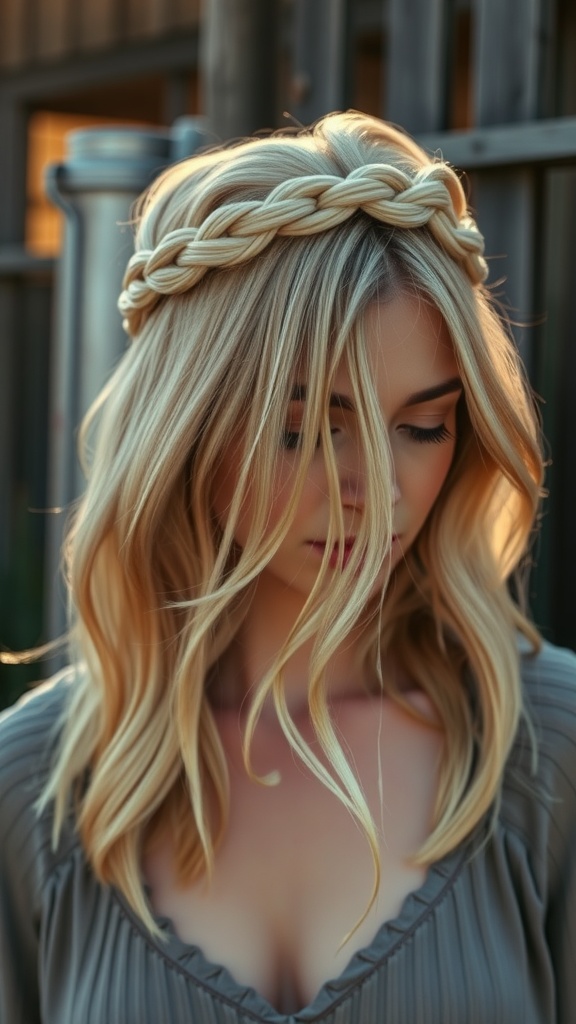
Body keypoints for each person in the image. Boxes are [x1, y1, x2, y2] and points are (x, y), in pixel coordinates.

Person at [1, 110, 575, 1024]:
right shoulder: (31, 782)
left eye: (423, 426)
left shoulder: (553, 747)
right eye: (305, 430)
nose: (376, 490)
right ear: (187, 429)